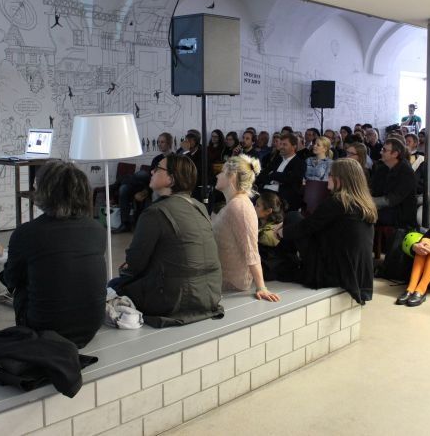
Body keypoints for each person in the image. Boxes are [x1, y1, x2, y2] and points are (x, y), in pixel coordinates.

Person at [0, 161, 106, 348]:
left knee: (21, 285)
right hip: (90, 327)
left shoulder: (26, 233)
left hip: (44, 331)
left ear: (45, 193)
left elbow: (11, 280)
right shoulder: (97, 229)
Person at [110, 154, 224, 327]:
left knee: (114, 285)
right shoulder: (199, 207)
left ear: (171, 179)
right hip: (210, 294)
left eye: (158, 169)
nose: (152, 171)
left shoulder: (154, 213)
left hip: (174, 300)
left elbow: (135, 262)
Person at [285, 158, 376, 304]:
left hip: (333, 273)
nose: (328, 178)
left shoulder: (338, 202)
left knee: (293, 217)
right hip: (358, 273)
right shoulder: (365, 203)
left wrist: (281, 232)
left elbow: (306, 227)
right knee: (296, 223)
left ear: (340, 179)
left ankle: (284, 263)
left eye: (330, 174)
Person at [213, 155, 279, 301]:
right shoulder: (235, 203)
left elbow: (251, 250)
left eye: (222, 172)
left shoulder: (239, 206)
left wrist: (261, 287)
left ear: (232, 176)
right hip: (224, 282)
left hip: (231, 287)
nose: (218, 175)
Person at [113, 132, 173, 233]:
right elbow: (151, 177)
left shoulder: (174, 158)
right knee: (125, 188)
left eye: (162, 142)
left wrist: (145, 192)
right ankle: (125, 224)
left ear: (169, 143)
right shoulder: (156, 159)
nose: (159, 144)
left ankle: (117, 184)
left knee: (140, 174)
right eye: (158, 142)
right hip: (148, 182)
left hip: (158, 185)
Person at [370, 138, 417, 229]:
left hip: (400, 216)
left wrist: (368, 202)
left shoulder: (406, 172)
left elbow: (392, 199)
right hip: (385, 209)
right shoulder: (382, 168)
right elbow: (373, 189)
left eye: (384, 150)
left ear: (395, 154)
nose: (380, 152)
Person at [256, 132, 306, 212]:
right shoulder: (277, 159)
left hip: (282, 197)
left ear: (294, 147)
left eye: (285, 144)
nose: (281, 147)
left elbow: (290, 180)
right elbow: (262, 175)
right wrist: (275, 178)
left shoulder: (299, 163)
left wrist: (273, 174)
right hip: (265, 191)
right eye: (281, 144)